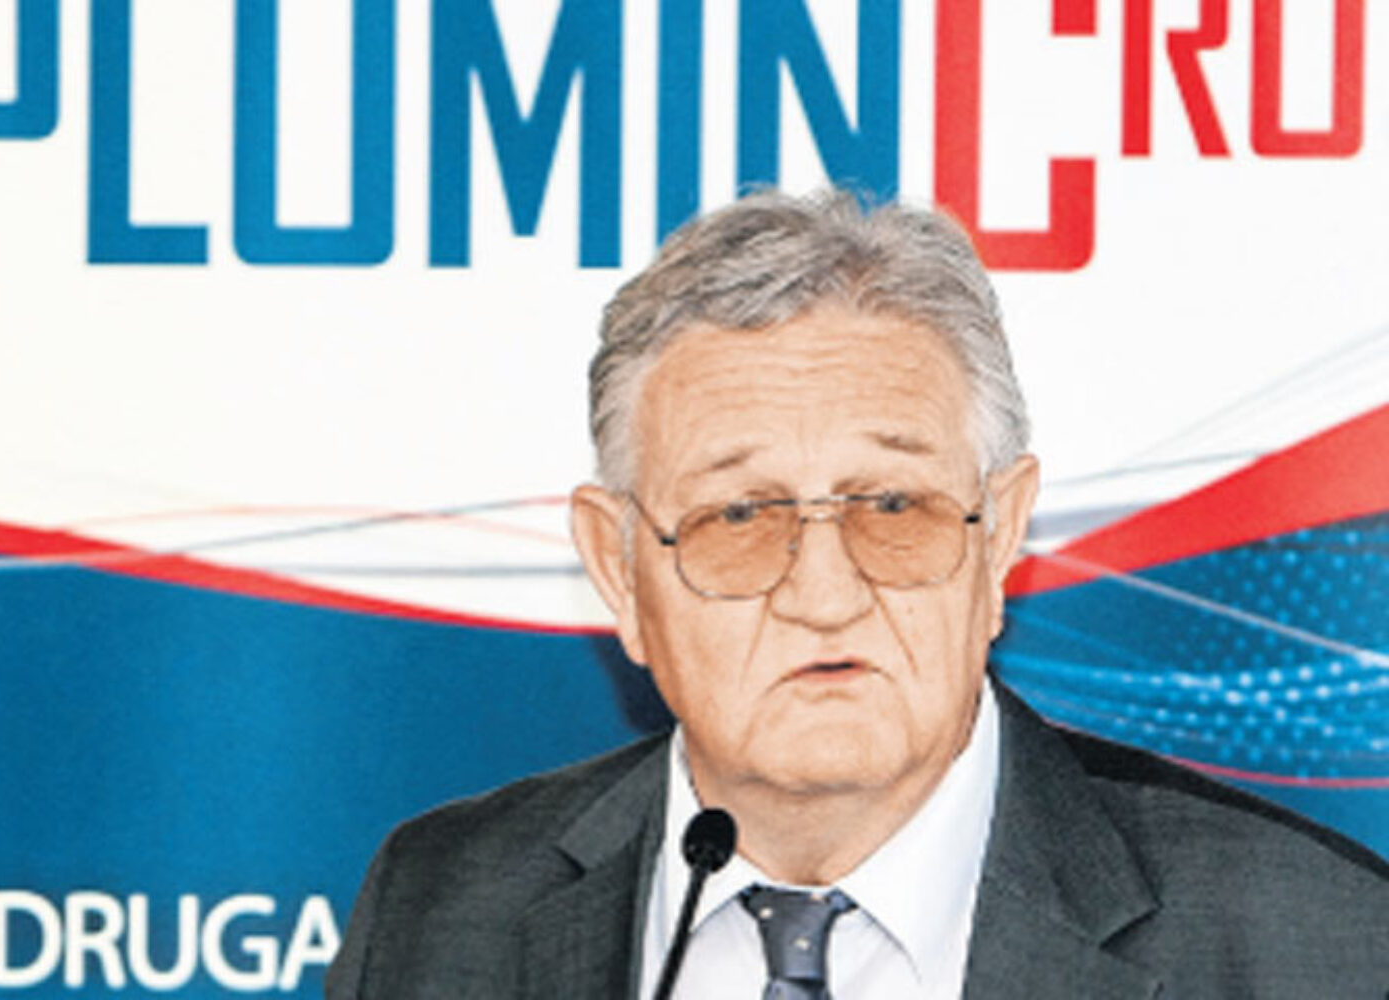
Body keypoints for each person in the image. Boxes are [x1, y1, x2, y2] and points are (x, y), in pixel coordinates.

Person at [325, 189, 1389, 999]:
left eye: (892, 506)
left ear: (999, 538)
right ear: (618, 567)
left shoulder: (1313, 943)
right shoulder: (439, 911)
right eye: (741, 517)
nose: (825, 594)